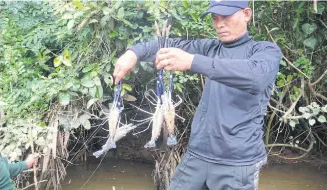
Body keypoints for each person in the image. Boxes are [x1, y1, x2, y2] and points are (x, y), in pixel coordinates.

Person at [113, 0, 282, 189]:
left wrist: (192, 61)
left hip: (238, 162)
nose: (219, 23)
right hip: (196, 157)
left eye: (225, 16)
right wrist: (133, 53)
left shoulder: (265, 51)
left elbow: (255, 76)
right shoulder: (210, 49)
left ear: (246, 14)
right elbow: (165, 45)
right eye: (214, 18)